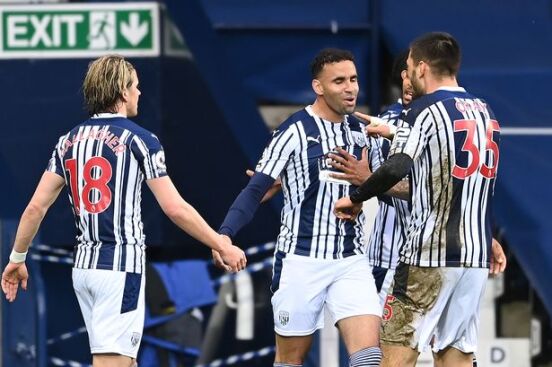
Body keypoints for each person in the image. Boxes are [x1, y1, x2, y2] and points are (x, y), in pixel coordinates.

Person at [1, 55, 246, 367]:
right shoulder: (141, 139)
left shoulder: (68, 141)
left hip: (84, 270)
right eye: (136, 86)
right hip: (119, 269)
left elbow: (36, 207)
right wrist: (220, 242)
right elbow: (174, 208)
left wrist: (17, 258)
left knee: (125, 361)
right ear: (122, 91)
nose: (140, 93)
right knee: (112, 362)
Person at [334, 32, 502, 367]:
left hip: (428, 256)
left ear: (422, 68)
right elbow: (469, 184)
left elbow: (397, 165)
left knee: (395, 355)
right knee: (456, 355)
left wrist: (356, 196)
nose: (407, 75)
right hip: (473, 260)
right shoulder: (485, 112)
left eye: (410, 67)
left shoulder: (425, 111)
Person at [214, 48, 383, 367]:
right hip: (300, 261)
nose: (350, 88)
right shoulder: (294, 131)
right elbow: (255, 190)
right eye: (339, 81)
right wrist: (225, 234)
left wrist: (362, 194)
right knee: (291, 360)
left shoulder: (362, 132)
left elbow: (382, 183)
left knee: (369, 359)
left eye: (354, 79)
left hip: (350, 259)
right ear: (318, 87)